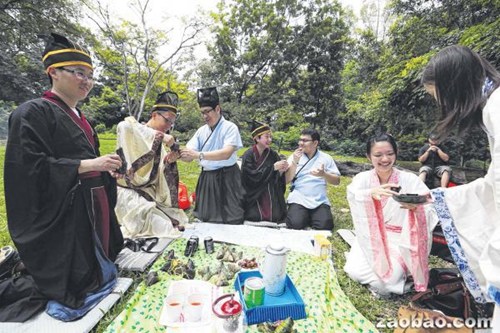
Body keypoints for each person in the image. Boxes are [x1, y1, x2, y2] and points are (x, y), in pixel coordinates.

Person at [1, 33, 124, 322]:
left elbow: (91, 160)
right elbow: (28, 168)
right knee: (78, 275)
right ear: (53, 72)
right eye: (78, 73)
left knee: (99, 257)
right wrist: (84, 164)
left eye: (91, 75)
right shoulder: (31, 112)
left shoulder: (81, 118)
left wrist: (108, 168)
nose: (87, 81)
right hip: (65, 207)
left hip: (93, 198)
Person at [422, 45, 500, 327]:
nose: (443, 107)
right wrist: (438, 197)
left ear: (453, 87)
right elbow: (493, 182)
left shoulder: (497, 108)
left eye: (440, 97)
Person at [343, 133, 438, 296]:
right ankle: (385, 281)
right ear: (368, 156)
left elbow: (430, 203)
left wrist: (416, 208)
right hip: (371, 236)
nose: (385, 159)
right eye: (378, 155)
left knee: (387, 280)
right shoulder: (363, 179)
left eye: (389, 154)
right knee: (354, 272)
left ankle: (394, 278)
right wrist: (369, 194)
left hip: (400, 238)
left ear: (396, 153)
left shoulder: (409, 179)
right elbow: (353, 194)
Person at [115, 91, 188, 238]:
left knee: (177, 221)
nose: (169, 126)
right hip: (127, 193)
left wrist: (169, 162)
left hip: (148, 192)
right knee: (164, 228)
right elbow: (123, 126)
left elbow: (159, 174)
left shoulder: (157, 143)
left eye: (172, 123)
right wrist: (159, 136)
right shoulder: (132, 130)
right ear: (154, 115)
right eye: (167, 120)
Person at [180, 87, 245, 224]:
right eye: (202, 113)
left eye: (207, 111)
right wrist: (181, 154)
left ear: (217, 109)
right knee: (205, 216)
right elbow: (188, 154)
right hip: (208, 177)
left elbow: (226, 153)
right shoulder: (201, 131)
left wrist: (198, 155)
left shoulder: (230, 127)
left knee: (232, 217)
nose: (204, 116)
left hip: (228, 176)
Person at [284, 128, 340, 230]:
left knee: (325, 226)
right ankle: (304, 215)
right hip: (299, 198)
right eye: (300, 140)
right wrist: (295, 162)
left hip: (319, 199)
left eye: (305, 141)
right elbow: (286, 180)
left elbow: (337, 181)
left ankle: (311, 215)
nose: (301, 143)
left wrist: (324, 174)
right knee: (295, 224)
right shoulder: (294, 156)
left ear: (315, 143)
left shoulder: (326, 158)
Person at [241, 121, 288, 223]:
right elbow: (249, 177)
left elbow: (278, 179)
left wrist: (281, 171)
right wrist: (273, 168)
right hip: (253, 194)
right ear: (257, 138)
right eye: (267, 137)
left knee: (276, 216)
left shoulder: (273, 154)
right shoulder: (248, 155)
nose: (270, 140)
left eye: (270, 137)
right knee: (253, 216)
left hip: (270, 192)